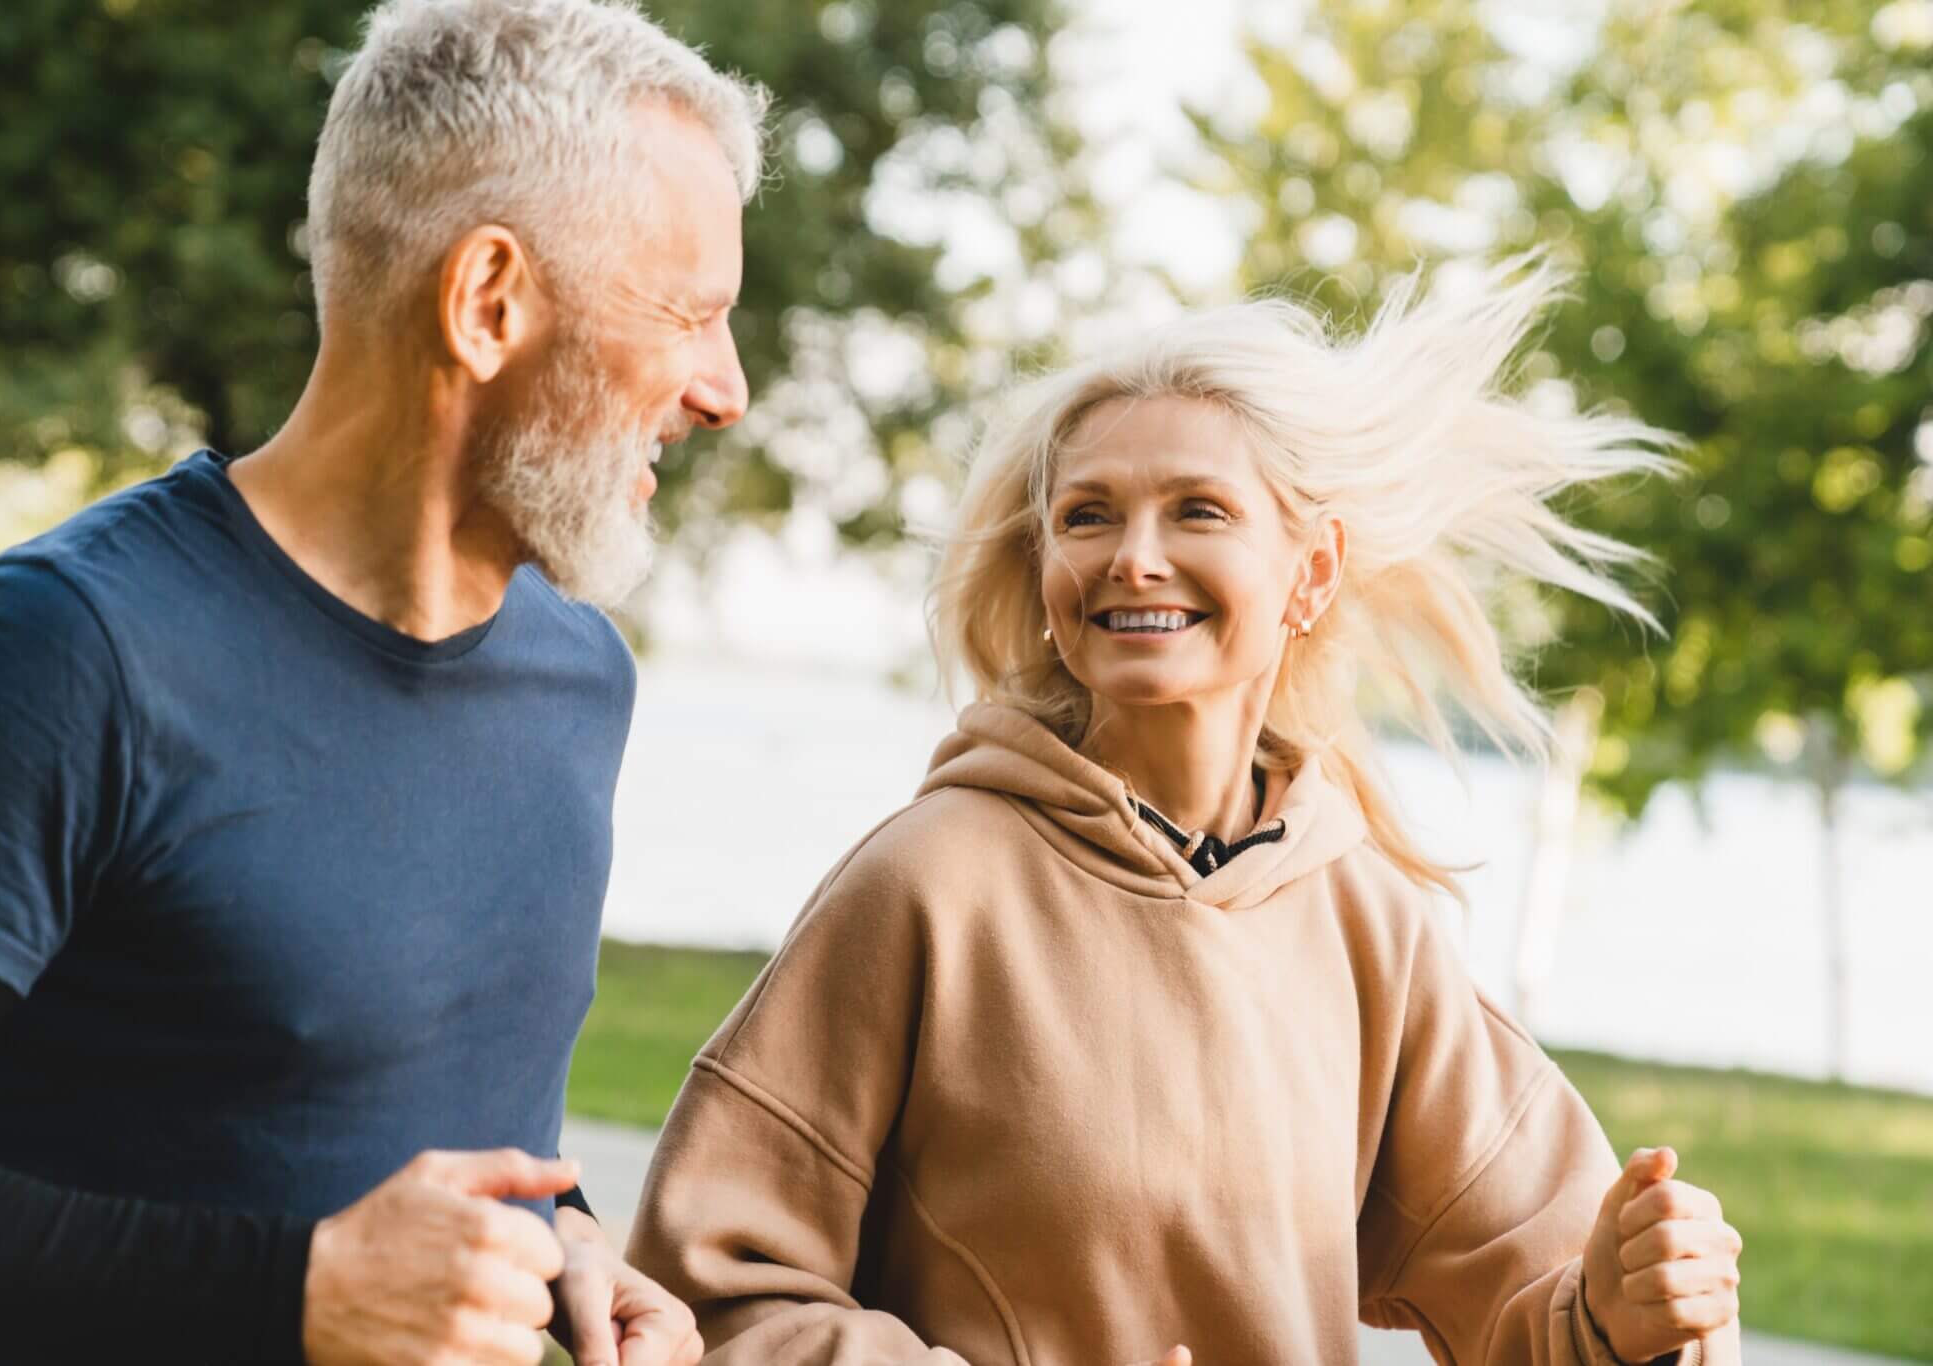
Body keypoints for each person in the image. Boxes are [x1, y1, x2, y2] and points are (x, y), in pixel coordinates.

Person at [625, 259, 1746, 1365]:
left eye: (1196, 510)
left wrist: (1618, 1312)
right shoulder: (926, 883)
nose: (1135, 558)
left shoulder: (1365, 918)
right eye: (1087, 516)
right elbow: (705, 1295)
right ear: (1048, 575)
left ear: (1309, 574)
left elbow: (1535, 1303)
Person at [0, 2, 765, 1363]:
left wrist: (568, 1235)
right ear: (487, 303)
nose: (727, 388)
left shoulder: (578, 673)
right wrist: (291, 1291)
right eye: (690, 312)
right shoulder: (59, 655)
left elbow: (437, 1125)